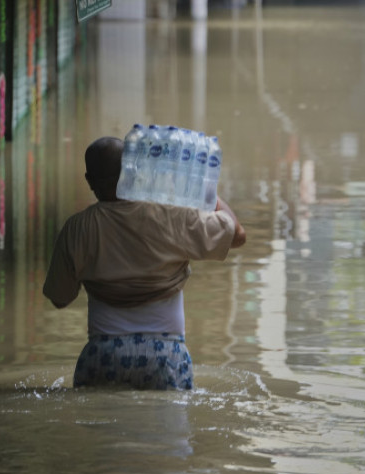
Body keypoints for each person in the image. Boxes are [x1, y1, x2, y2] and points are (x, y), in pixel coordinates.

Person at [43, 136, 247, 390]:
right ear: (134, 170)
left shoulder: (76, 229)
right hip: (166, 357)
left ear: (89, 181)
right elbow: (237, 235)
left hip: (103, 356)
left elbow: (60, 299)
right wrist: (200, 189)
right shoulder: (172, 215)